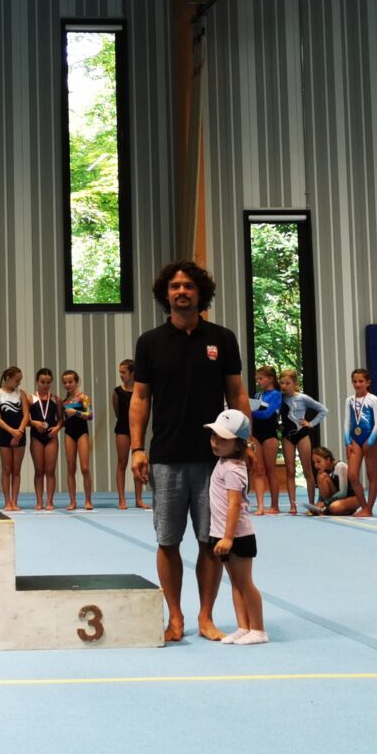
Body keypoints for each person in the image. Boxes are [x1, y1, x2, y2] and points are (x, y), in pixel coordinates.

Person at [131, 260, 249, 644]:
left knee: (209, 542)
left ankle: (206, 615)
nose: (181, 292)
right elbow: (140, 398)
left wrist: (243, 444)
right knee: (168, 541)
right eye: (175, 287)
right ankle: (175, 616)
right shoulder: (149, 342)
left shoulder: (223, 338)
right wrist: (137, 448)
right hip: (165, 456)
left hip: (213, 459)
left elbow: (237, 394)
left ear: (201, 293)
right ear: (165, 295)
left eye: (189, 286)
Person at [205, 409, 266, 645]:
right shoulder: (224, 462)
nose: (215, 442)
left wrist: (228, 538)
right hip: (223, 533)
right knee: (235, 583)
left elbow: (234, 504)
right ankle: (243, 626)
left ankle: (258, 629)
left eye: (222, 439)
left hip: (238, 535)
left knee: (245, 584)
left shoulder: (233, 469)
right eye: (214, 437)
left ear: (239, 444)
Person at [279, 369, 327, 511]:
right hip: (287, 436)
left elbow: (323, 410)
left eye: (287, 383)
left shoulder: (303, 398)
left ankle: (311, 503)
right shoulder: (279, 398)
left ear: (294, 383)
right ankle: (292, 505)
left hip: (302, 435)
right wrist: (278, 425)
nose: (284, 386)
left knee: (307, 470)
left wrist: (310, 423)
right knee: (290, 470)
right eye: (281, 383)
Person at [344, 369, 377, 518]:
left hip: (370, 438)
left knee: (371, 474)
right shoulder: (350, 400)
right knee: (352, 475)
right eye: (355, 381)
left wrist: (371, 441)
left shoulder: (374, 399)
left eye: (361, 381)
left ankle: (369, 508)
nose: (358, 384)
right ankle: (364, 506)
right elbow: (347, 422)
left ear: (368, 382)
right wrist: (347, 442)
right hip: (354, 440)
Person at [0, 367, 27, 512]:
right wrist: (11, 431)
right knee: (6, 469)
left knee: (16, 470)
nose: (18, 383)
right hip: (5, 434)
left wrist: (20, 432)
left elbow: (26, 415)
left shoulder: (21, 394)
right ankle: (7, 502)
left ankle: (15, 502)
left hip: (19, 434)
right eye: (17, 380)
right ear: (8, 378)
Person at [249, 366, 284, 515]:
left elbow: (267, 415)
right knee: (258, 470)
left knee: (270, 471)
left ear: (270, 379)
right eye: (257, 378)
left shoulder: (276, 395)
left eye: (261, 378)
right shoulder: (257, 396)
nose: (259, 381)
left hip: (270, 435)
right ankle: (260, 506)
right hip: (256, 435)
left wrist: (251, 410)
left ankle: (275, 506)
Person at [27, 368, 61, 511]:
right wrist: (34, 423)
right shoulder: (30, 399)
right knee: (39, 470)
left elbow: (60, 419)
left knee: (50, 470)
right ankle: (39, 501)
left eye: (48, 382)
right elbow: (25, 419)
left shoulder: (56, 399)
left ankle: (50, 501)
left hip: (51, 437)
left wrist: (57, 428)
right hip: (36, 436)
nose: (45, 385)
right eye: (42, 382)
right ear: (37, 381)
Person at [112, 359, 144, 510]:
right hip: (123, 428)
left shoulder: (140, 390)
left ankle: (139, 499)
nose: (121, 375)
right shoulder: (117, 391)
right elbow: (118, 412)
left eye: (123, 372)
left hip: (137, 429)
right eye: (120, 372)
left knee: (138, 463)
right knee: (122, 463)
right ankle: (122, 499)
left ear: (132, 373)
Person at [60, 369, 93, 511]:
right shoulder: (64, 401)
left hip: (81, 433)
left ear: (76, 382)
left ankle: (88, 500)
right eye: (65, 382)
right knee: (70, 467)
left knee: (85, 467)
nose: (68, 385)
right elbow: (63, 420)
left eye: (70, 382)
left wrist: (76, 412)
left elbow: (90, 415)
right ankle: (72, 501)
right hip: (69, 433)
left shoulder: (83, 397)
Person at [306, 445, 360, 515]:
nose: (316, 465)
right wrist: (316, 506)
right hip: (339, 499)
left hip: (353, 498)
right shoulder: (323, 472)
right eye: (314, 462)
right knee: (321, 476)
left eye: (318, 461)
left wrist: (324, 503)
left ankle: (346, 509)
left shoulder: (340, 466)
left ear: (328, 460)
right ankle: (327, 508)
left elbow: (343, 492)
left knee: (334, 508)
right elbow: (321, 495)